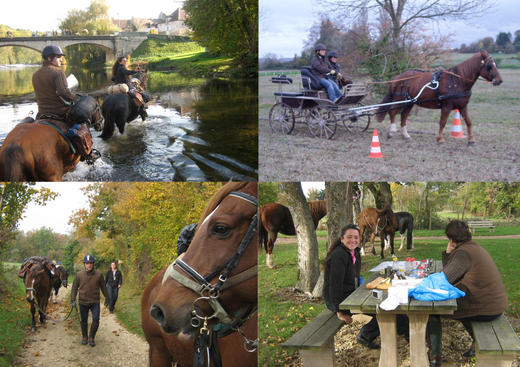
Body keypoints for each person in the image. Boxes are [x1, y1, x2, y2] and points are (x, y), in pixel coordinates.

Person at [427, 220, 508, 366]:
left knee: (432, 311)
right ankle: (475, 342)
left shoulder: (463, 254)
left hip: (485, 307)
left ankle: (434, 357)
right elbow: (452, 273)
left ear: (451, 239)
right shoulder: (473, 247)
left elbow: (446, 280)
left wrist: (447, 253)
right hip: (494, 304)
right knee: (460, 302)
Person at [32, 45, 100, 163]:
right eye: (58, 57)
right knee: (83, 121)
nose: (61, 59)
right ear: (49, 58)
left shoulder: (35, 75)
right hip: (60, 112)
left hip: (42, 113)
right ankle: (88, 153)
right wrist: (76, 99)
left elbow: (49, 92)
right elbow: (63, 92)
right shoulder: (58, 72)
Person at [71, 254, 109, 347]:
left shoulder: (99, 274)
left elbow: (103, 287)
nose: (89, 265)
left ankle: (91, 337)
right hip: (83, 301)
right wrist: (73, 299)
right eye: (87, 263)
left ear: (93, 264)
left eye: (91, 263)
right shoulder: (79, 274)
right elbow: (74, 288)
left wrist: (107, 297)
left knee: (96, 320)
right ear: (84, 264)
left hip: (95, 301)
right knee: (83, 320)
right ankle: (84, 336)